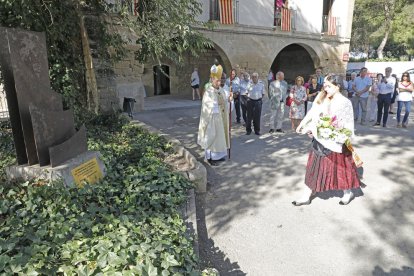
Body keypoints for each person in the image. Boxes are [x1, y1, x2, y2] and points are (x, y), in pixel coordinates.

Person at [294, 75, 361, 206]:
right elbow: (313, 113)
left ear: (338, 87)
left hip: (336, 140)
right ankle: (306, 194)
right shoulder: (321, 97)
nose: (325, 87)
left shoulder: (345, 102)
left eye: (328, 85)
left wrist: (339, 136)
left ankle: (347, 193)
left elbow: (347, 122)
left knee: (340, 168)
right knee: (313, 167)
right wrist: (306, 126)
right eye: (324, 85)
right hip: (319, 139)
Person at [197, 77, 231, 166]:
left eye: (220, 81)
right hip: (212, 118)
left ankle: (219, 156)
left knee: (220, 137)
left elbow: (225, 101)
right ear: (212, 80)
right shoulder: (208, 92)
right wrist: (216, 104)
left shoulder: (221, 90)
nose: (219, 83)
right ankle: (210, 158)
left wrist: (229, 99)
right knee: (212, 137)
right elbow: (206, 105)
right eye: (217, 81)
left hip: (221, 117)